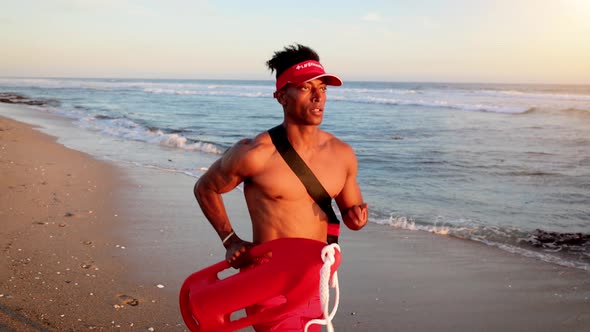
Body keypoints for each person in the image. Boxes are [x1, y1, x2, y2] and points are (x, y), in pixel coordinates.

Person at [194, 44, 368, 331]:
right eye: (305, 88)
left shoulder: (342, 154)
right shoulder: (254, 153)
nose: (318, 96)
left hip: (317, 277)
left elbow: (351, 215)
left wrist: (356, 219)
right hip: (271, 278)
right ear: (281, 97)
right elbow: (205, 188)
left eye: (323, 88)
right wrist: (230, 240)